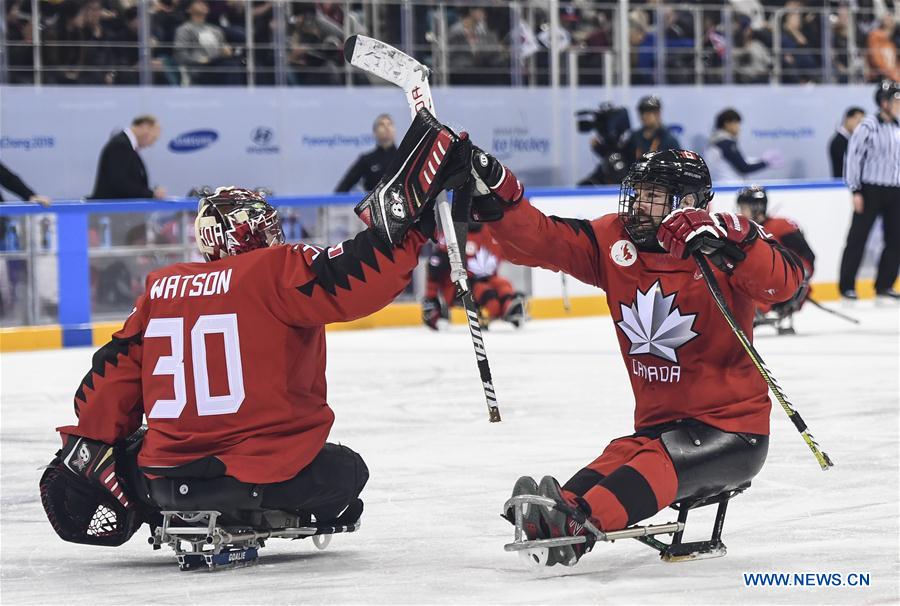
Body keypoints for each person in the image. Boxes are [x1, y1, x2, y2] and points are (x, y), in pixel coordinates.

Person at [39, 110, 470, 548]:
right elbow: (359, 273)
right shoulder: (273, 270)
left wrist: (96, 441)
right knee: (347, 470)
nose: (272, 234)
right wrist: (409, 211)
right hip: (261, 477)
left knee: (134, 450)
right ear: (243, 235)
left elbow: (105, 383)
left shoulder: (161, 287)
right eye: (262, 226)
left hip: (164, 483)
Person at [451, 144, 804, 567]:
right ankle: (561, 508)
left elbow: (784, 285)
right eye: (639, 192)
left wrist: (732, 237)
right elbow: (538, 241)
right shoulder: (613, 240)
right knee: (623, 454)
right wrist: (496, 193)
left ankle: (579, 522)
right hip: (657, 426)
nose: (639, 203)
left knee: (654, 459)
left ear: (687, 202)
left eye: (653, 194)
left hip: (731, 431)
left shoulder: (722, 246)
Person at [839, 80, 900, 302]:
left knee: (895, 239)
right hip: (870, 189)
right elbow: (853, 158)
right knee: (858, 238)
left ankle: (884, 285)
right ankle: (846, 286)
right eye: (896, 99)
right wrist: (855, 190)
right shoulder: (868, 125)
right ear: (884, 102)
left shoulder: (897, 127)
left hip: (895, 190)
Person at [736, 185, 815, 328]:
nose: (740, 212)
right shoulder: (744, 230)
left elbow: (807, 257)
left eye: (744, 207)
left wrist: (799, 280)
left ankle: (756, 309)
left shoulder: (781, 226)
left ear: (757, 207)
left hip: (780, 286)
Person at [422, 223, 526, 330]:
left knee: (504, 284)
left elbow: (512, 252)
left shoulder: (491, 231)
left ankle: (509, 306)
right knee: (486, 294)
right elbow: (435, 266)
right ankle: (499, 309)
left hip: (487, 280)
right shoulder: (453, 233)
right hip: (459, 285)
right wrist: (431, 298)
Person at [91, 115, 166, 200]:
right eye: (154, 138)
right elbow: (119, 182)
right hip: (114, 209)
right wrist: (151, 194)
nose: (151, 144)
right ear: (145, 128)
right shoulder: (120, 145)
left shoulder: (127, 146)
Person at [174, 0, 243, 85]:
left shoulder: (216, 30)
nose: (204, 5)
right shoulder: (184, 29)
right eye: (199, 2)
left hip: (217, 63)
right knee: (230, 67)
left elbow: (223, 48)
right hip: (201, 68)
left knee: (237, 64)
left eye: (205, 3)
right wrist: (198, 60)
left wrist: (227, 51)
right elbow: (180, 55)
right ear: (188, 9)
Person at [705, 108, 779, 183]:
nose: (739, 128)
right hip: (729, 187)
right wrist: (765, 163)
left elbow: (737, 162)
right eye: (737, 123)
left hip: (723, 186)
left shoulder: (716, 141)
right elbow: (744, 168)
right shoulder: (725, 143)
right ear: (727, 123)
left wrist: (761, 160)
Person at [335, 114, 397, 192]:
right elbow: (344, 186)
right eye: (382, 125)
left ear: (394, 130)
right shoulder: (367, 159)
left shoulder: (404, 156)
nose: (386, 128)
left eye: (389, 124)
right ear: (375, 132)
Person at [620, 96, 680, 171]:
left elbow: (678, 167)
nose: (644, 116)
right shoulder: (634, 137)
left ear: (658, 113)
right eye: (642, 112)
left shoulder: (669, 140)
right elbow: (624, 162)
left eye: (649, 112)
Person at [829, 107, 865, 178]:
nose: (860, 126)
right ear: (848, 119)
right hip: (842, 185)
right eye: (858, 122)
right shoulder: (838, 141)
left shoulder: (848, 140)